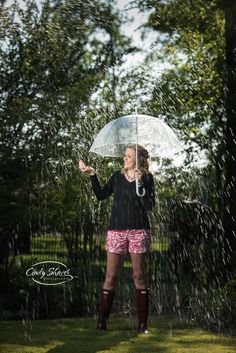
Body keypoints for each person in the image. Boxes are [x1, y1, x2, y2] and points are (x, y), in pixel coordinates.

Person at [79, 144, 155, 333]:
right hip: (116, 231)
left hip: (139, 231)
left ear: (138, 159)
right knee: (111, 276)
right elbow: (101, 195)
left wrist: (141, 183)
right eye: (125, 156)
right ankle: (102, 323)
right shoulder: (116, 177)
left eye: (128, 156)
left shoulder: (147, 178)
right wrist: (92, 174)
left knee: (139, 276)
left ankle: (143, 325)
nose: (125, 159)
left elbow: (150, 206)